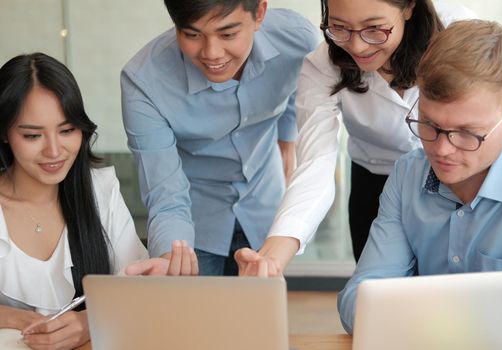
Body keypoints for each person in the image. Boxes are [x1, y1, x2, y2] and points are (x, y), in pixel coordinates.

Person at [235, 0, 476, 275]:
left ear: (409, 7)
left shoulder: (457, 32)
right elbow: (316, 165)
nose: (358, 47)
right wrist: (273, 256)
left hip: (457, 179)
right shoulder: (322, 65)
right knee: (379, 293)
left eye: (374, 29)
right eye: (340, 28)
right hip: (376, 183)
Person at [337, 19, 502, 333]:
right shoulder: (408, 174)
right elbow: (359, 300)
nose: (441, 150)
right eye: (429, 124)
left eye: (467, 134)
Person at [120, 0, 319, 275]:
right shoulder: (143, 82)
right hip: (194, 222)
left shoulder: (297, 39)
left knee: (258, 315)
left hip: (265, 204)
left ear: (259, 13)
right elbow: (164, 191)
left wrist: (287, 144)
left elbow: (298, 88)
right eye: (192, 35)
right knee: (198, 316)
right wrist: (170, 256)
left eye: (227, 34)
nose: (212, 53)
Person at [0, 52, 151, 349]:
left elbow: (139, 287)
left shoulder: (100, 190)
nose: (54, 151)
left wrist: (88, 322)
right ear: (5, 134)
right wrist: (12, 317)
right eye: (33, 136)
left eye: (67, 130)